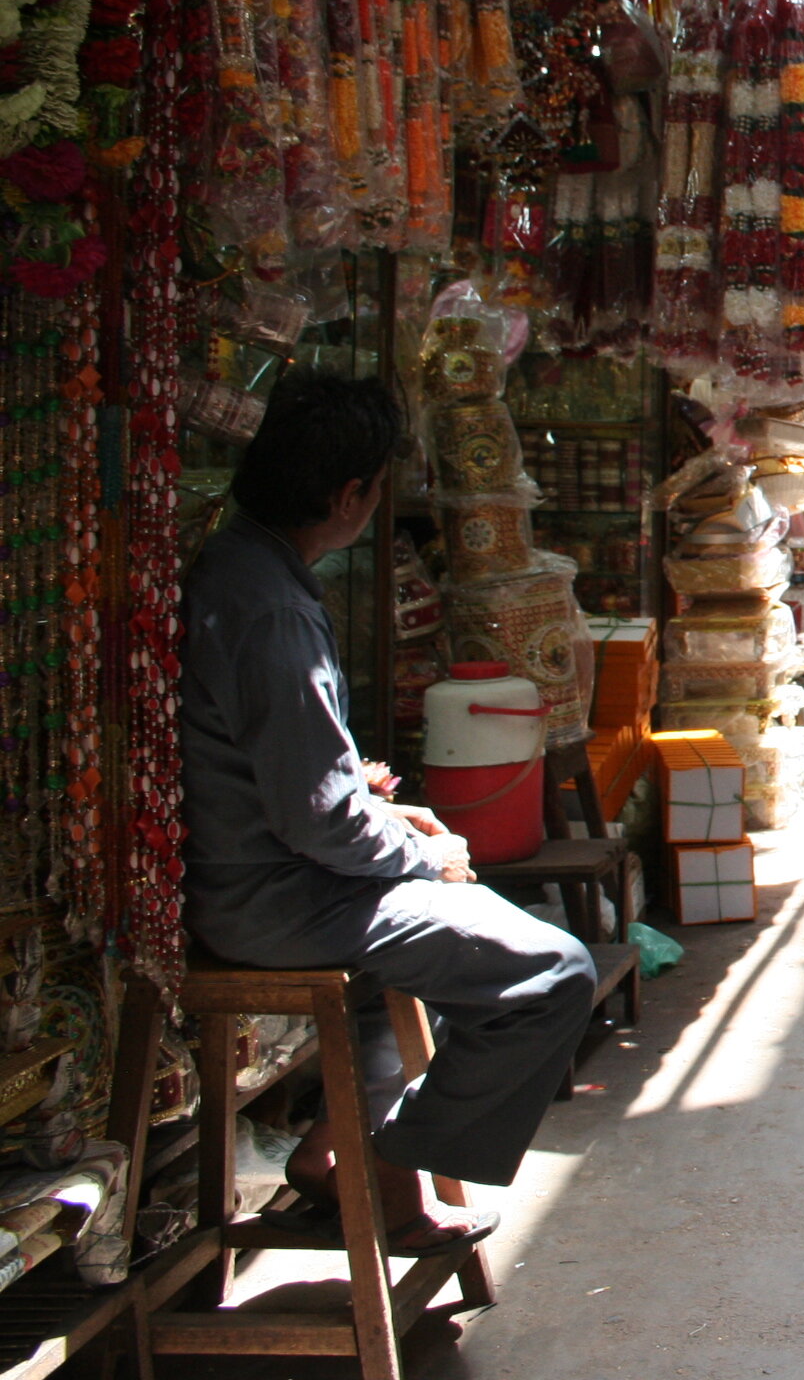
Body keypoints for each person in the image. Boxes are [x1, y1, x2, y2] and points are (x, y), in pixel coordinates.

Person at [180, 372, 595, 1255]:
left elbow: (306, 791)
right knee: (551, 973)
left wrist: (398, 827)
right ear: (349, 495)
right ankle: (377, 1162)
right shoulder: (270, 607)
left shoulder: (243, 567)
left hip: (277, 881)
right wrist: (420, 858)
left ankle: (354, 1166)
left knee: (446, 950)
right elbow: (319, 820)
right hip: (282, 899)